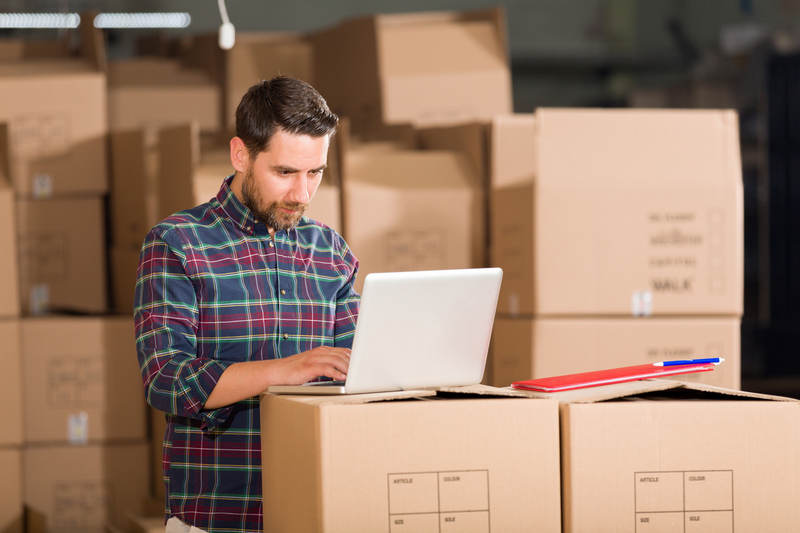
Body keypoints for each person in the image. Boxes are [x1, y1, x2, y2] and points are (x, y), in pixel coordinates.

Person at [134, 75, 360, 533]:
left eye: (315, 172)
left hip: (317, 507)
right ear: (241, 154)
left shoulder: (330, 251)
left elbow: (358, 368)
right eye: (285, 172)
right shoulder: (177, 243)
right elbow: (166, 380)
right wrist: (287, 370)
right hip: (218, 514)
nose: (301, 194)